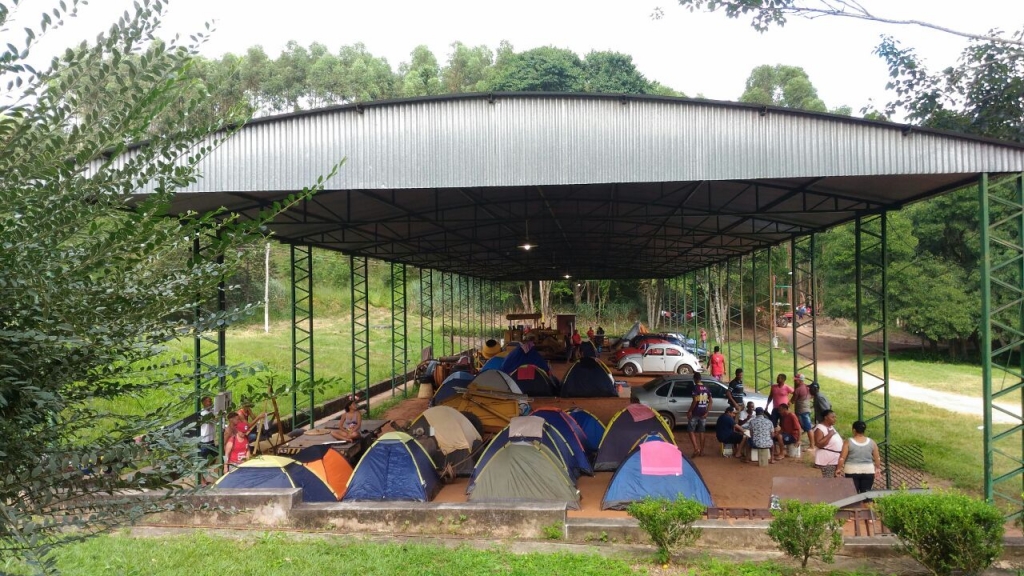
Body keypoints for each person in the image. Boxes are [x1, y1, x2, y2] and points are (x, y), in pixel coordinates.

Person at [837, 420, 882, 493]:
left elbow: (842, 458)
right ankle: (867, 504)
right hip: (868, 471)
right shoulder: (872, 442)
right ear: (864, 430)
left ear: (854, 430)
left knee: (853, 494)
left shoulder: (848, 442)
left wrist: (838, 469)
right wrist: (877, 468)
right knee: (866, 495)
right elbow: (877, 458)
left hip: (851, 471)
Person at [687, 372, 712, 457]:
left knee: (690, 430)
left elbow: (695, 401)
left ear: (694, 379)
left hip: (695, 412)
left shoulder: (695, 388)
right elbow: (711, 401)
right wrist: (707, 412)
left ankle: (696, 448)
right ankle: (702, 451)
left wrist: (690, 411)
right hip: (703, 412)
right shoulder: (706, 388)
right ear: (700, 379)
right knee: (702, 431)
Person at [813, 410, 843, 477]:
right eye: (832, 417)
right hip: (827, 460)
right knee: (829, 480)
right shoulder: (819, 428)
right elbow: (819, 444)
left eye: (835, 417)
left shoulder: (831, 427)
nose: (835, 419)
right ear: (826, 417)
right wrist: (829, 435)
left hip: (835, 459)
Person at [791, 373, 814, 449]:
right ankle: (802, 441)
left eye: (796, 380)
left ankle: (812, 446)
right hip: (807, 409)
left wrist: (788, 404)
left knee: (807, 428)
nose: (795, 381)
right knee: (805, 427)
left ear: (800, 380)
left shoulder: (798, 390)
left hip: (801, 411)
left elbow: (793, 400)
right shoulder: (808, 388)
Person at [198, 396, 217, 461]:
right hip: (204, 440)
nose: (211, 403)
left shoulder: (212, 410)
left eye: (211, 401)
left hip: (211, 438)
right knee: (203, 458)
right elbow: (213, 420)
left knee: (214, 457)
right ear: (204, 403)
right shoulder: (202, 413)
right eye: (209, 401)